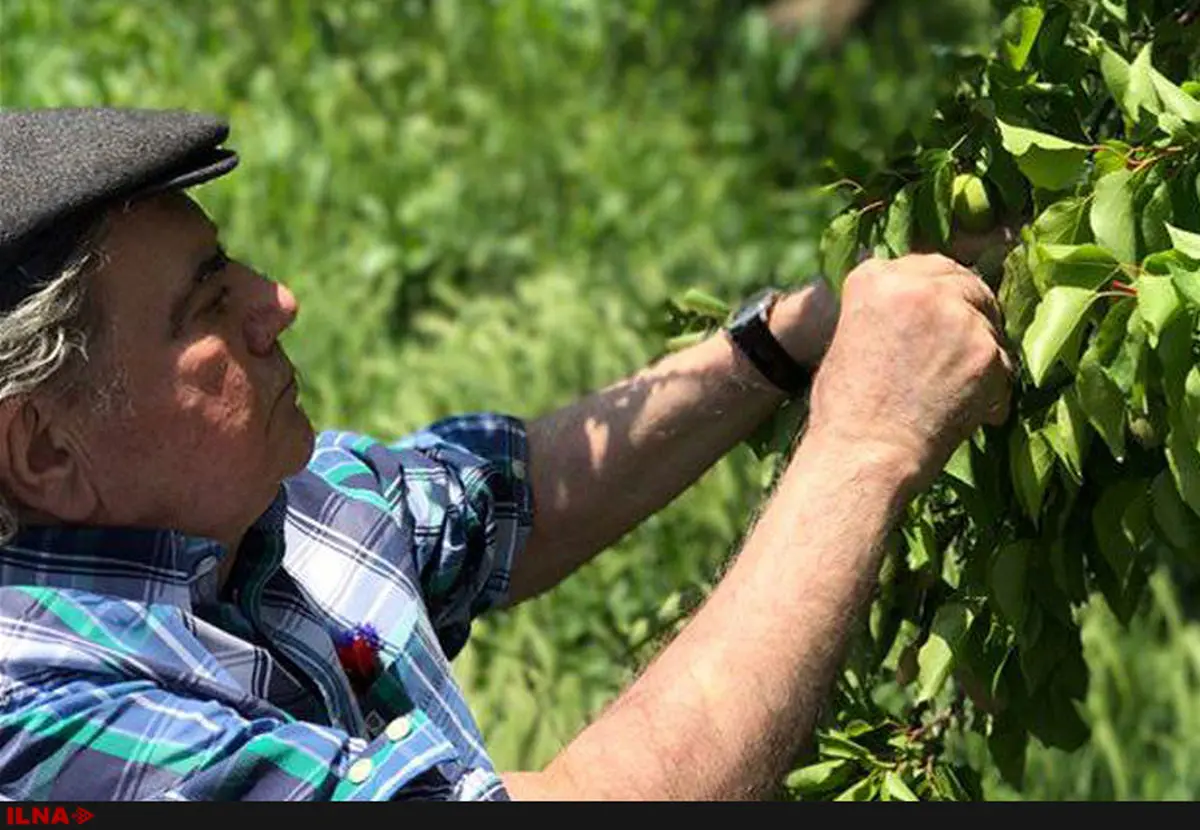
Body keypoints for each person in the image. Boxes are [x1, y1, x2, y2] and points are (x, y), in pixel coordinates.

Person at [0, 107, 1013, 801]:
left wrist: (784, 340)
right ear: (44, 448)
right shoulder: (56, 736)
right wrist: (866, 440)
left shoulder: (265, 508)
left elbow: (505, 496)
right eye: (207, 303)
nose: (278, 301)